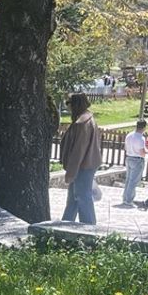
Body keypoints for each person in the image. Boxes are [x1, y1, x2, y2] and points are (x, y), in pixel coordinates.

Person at [60, 93, 102, 224]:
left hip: (83, 167)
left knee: (83, 198)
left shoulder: (82, 123)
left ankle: (89, 229)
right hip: (85, 165)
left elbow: (78, 150)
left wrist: (71, 173)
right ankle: (66, 224)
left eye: (70, 104)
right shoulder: (86, 119)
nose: (69, 108)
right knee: (73, 198)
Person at [118, 119, 148, 207]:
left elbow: (126, 148)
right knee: (133, 181)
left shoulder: (129, 135)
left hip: (129, 157)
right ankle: (128, 200)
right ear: (144, 127)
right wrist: (147, 151)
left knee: (128, 180)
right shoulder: (141, 138)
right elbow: (142, 152)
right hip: (137, 159)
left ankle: (125, 198)